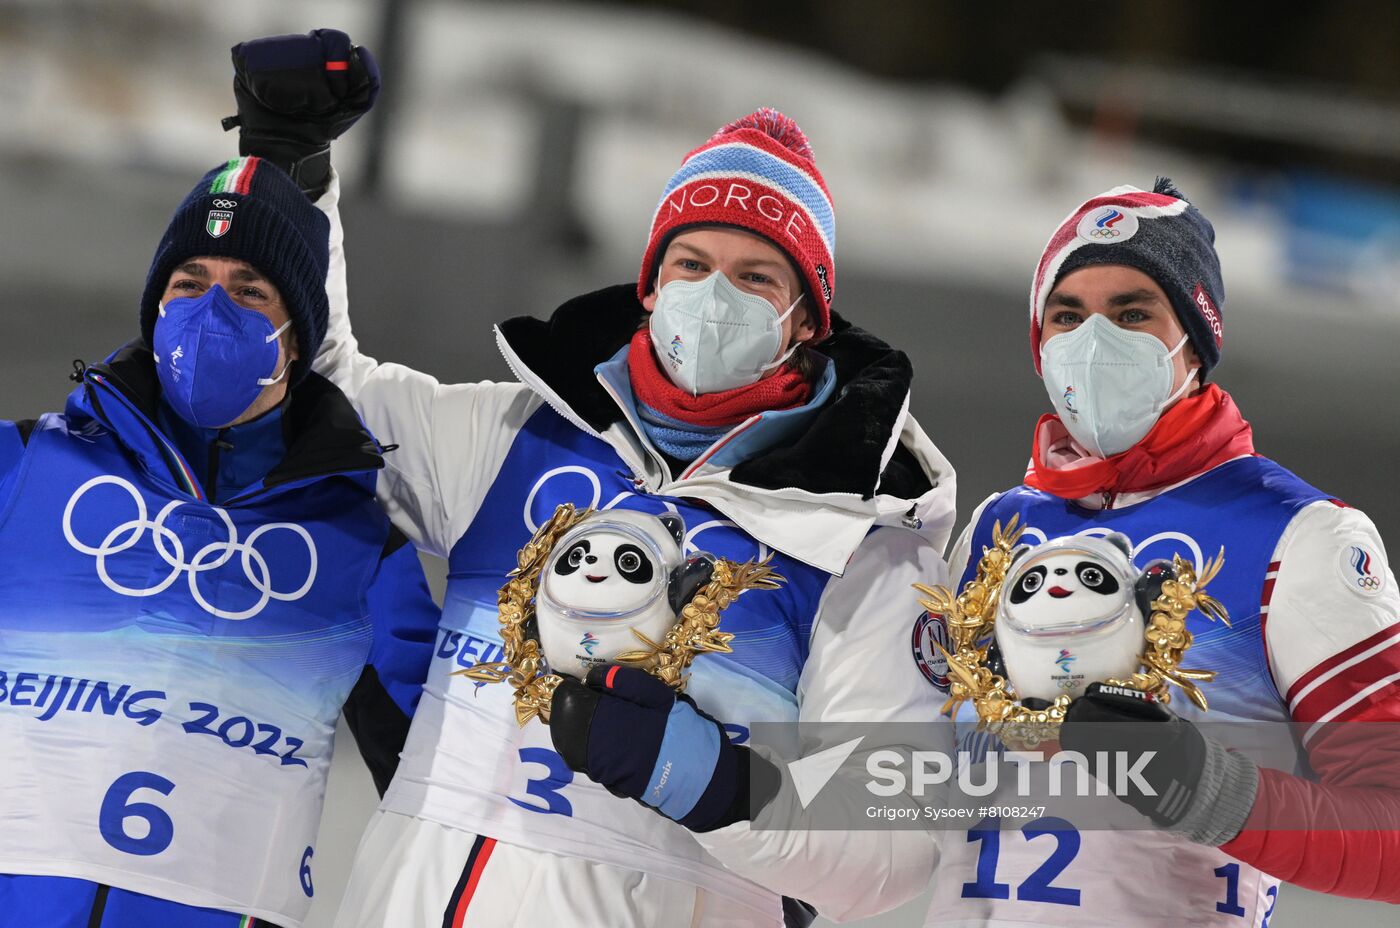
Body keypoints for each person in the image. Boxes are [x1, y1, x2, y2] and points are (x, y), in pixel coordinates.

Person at [230, 30, 958, 928]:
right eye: (692, 264)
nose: (714, 293)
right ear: (651, 284)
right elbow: (320, 390)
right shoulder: (515, 436)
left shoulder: (862, 530)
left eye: (756, 275)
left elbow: (894, 844)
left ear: (809, 316)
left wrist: (710, 781)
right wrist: (288, 173)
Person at [0, 73, 442, 926]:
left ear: (298, 335)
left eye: (248, 292)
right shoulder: (28, 466)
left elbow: (451, 777)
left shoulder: (357, 545)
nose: (211, 311)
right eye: (188, 282)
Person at [924, 180, 1400, 927]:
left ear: (1196, 338)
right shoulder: (997, 529)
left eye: (1133, 313)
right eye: (1068, 316)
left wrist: (1203, 787)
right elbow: (891, 778)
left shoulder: (1299, 535)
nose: (1094, 340)